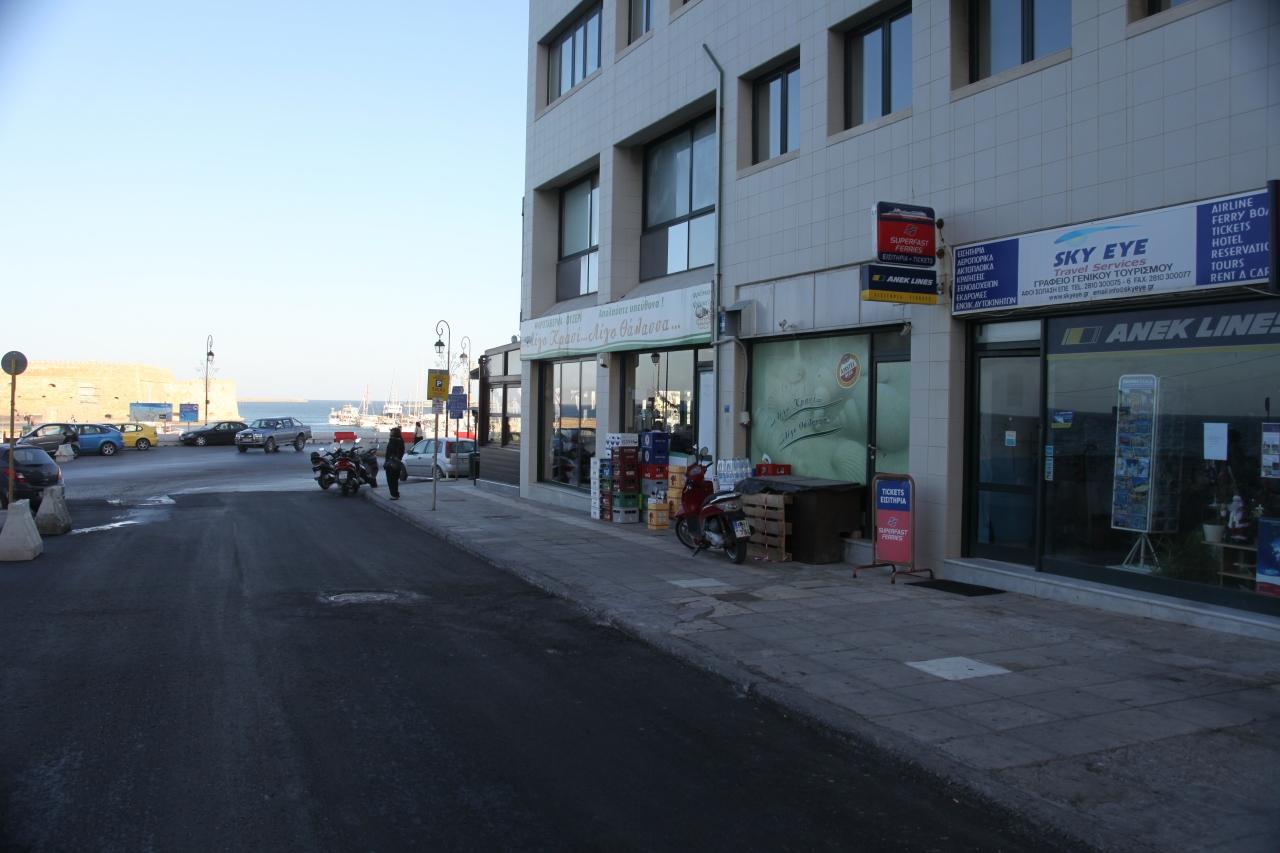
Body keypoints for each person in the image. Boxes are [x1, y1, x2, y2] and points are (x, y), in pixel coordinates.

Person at [384, 426, 406, 500]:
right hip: (394, 463)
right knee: (394, 480)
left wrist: (393, 458)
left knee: (391, 479)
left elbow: (392, 452)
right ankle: (395, 494)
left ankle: (394, 494)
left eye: (391, 431)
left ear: (394, 433)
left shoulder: (394, 441)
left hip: (392, 463)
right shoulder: (399, 441)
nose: (390, 433)